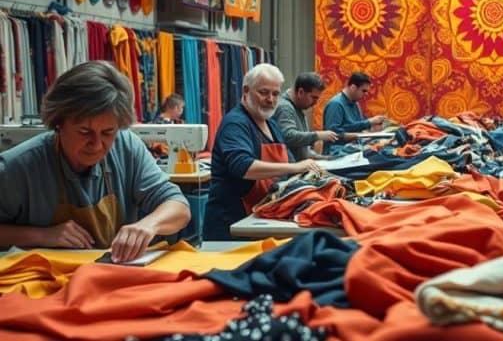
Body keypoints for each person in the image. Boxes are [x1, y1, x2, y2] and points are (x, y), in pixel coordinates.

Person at [0, 61, 190, 262]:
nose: (97, 145)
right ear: (58, 122)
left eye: (108, 132)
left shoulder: (126, 147)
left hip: (110, 279)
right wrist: (42, 236)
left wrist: (149, 225)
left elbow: (179, 207)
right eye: (84, 132)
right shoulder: (19, 167)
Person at [204, 64, 322, 240]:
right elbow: (244, 167)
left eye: (275, 93)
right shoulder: (235, 124)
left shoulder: (271, 124)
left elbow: (287, 163)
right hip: (231, 226)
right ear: (246, 90)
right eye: (264, 92)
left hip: (258, 219)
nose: (270, 99)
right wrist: (295, 168)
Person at [272, 72, 338, 161]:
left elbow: (303, 151)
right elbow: (288, 136)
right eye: (314, 98)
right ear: (300, 92)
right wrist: (318, 135)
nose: (316, 103)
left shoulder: (297, 107)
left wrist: (326, 159)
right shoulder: (285, 108)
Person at [323, 72, 386, 149]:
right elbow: (334, 135)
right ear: (353, 87)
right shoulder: (335, 104)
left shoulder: (355, 103)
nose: (366, 94)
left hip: (352, 147)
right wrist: (368, 123)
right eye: (364, 91)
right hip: (337, 151)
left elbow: (355, 126)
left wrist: (372, 127)